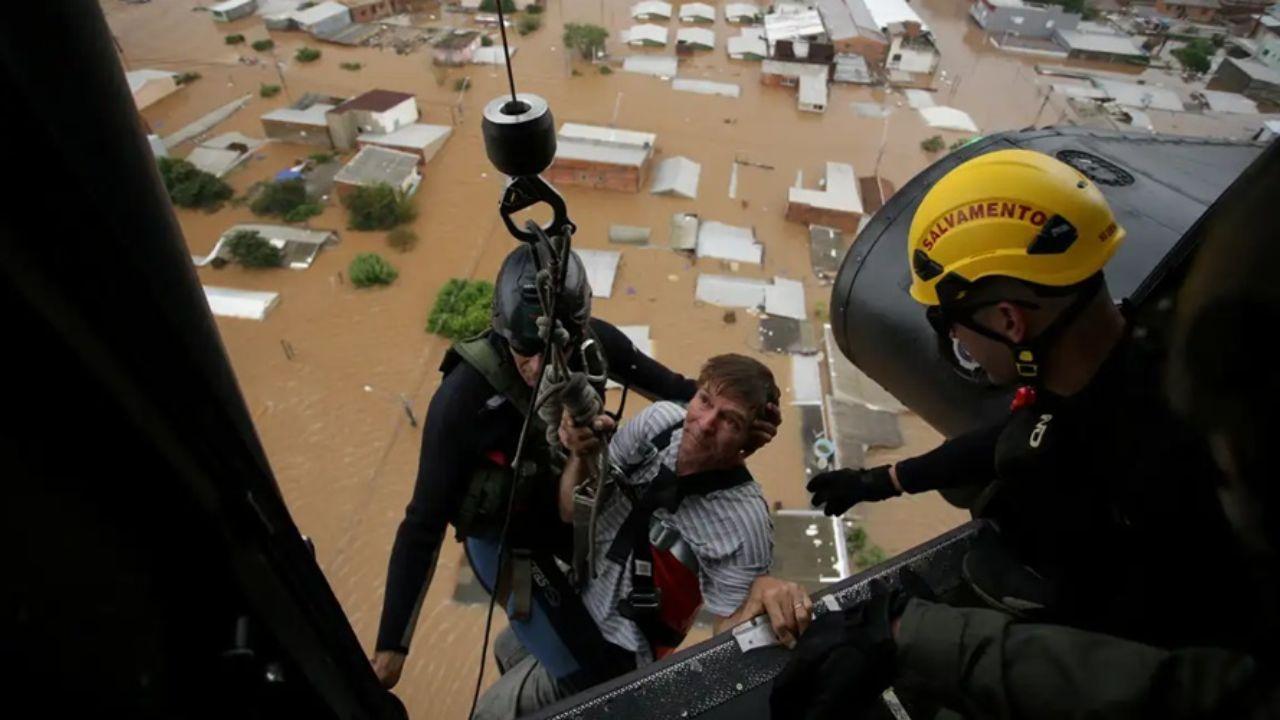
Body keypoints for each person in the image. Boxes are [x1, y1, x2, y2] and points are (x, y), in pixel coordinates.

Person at [771, 148, 1280, 719]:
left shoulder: (1157, 476)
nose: (958, 344)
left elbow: (1134, 676)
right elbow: (1019, 436)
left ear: (1010, 321)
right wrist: (883, 479)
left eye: (951, 322)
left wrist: (909, 634)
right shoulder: (1127, 361)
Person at [372, 245, 784, 691]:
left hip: (574, 515)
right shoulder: (463, 400)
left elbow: (686, 398)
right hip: (507, 537)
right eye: (524, 350)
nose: (540, 366)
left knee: (569, 646)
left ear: (578, 330)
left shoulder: (596, 348)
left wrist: (750, 424)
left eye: (555, 350)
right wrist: (393, 647)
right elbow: (422, 524)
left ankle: (522, 662)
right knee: (593, 679)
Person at [474, 354, 813, 719]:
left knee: (490, 714)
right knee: (507, 649)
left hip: (614, 653)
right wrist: (580, 453)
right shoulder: (659, 424)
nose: (704, 424)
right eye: (704, 401)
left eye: (730, 420)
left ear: (749, 439)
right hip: (574, 594)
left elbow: (727, 640)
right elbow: (573, 511)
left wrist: (760, 598)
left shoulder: (744, 521)